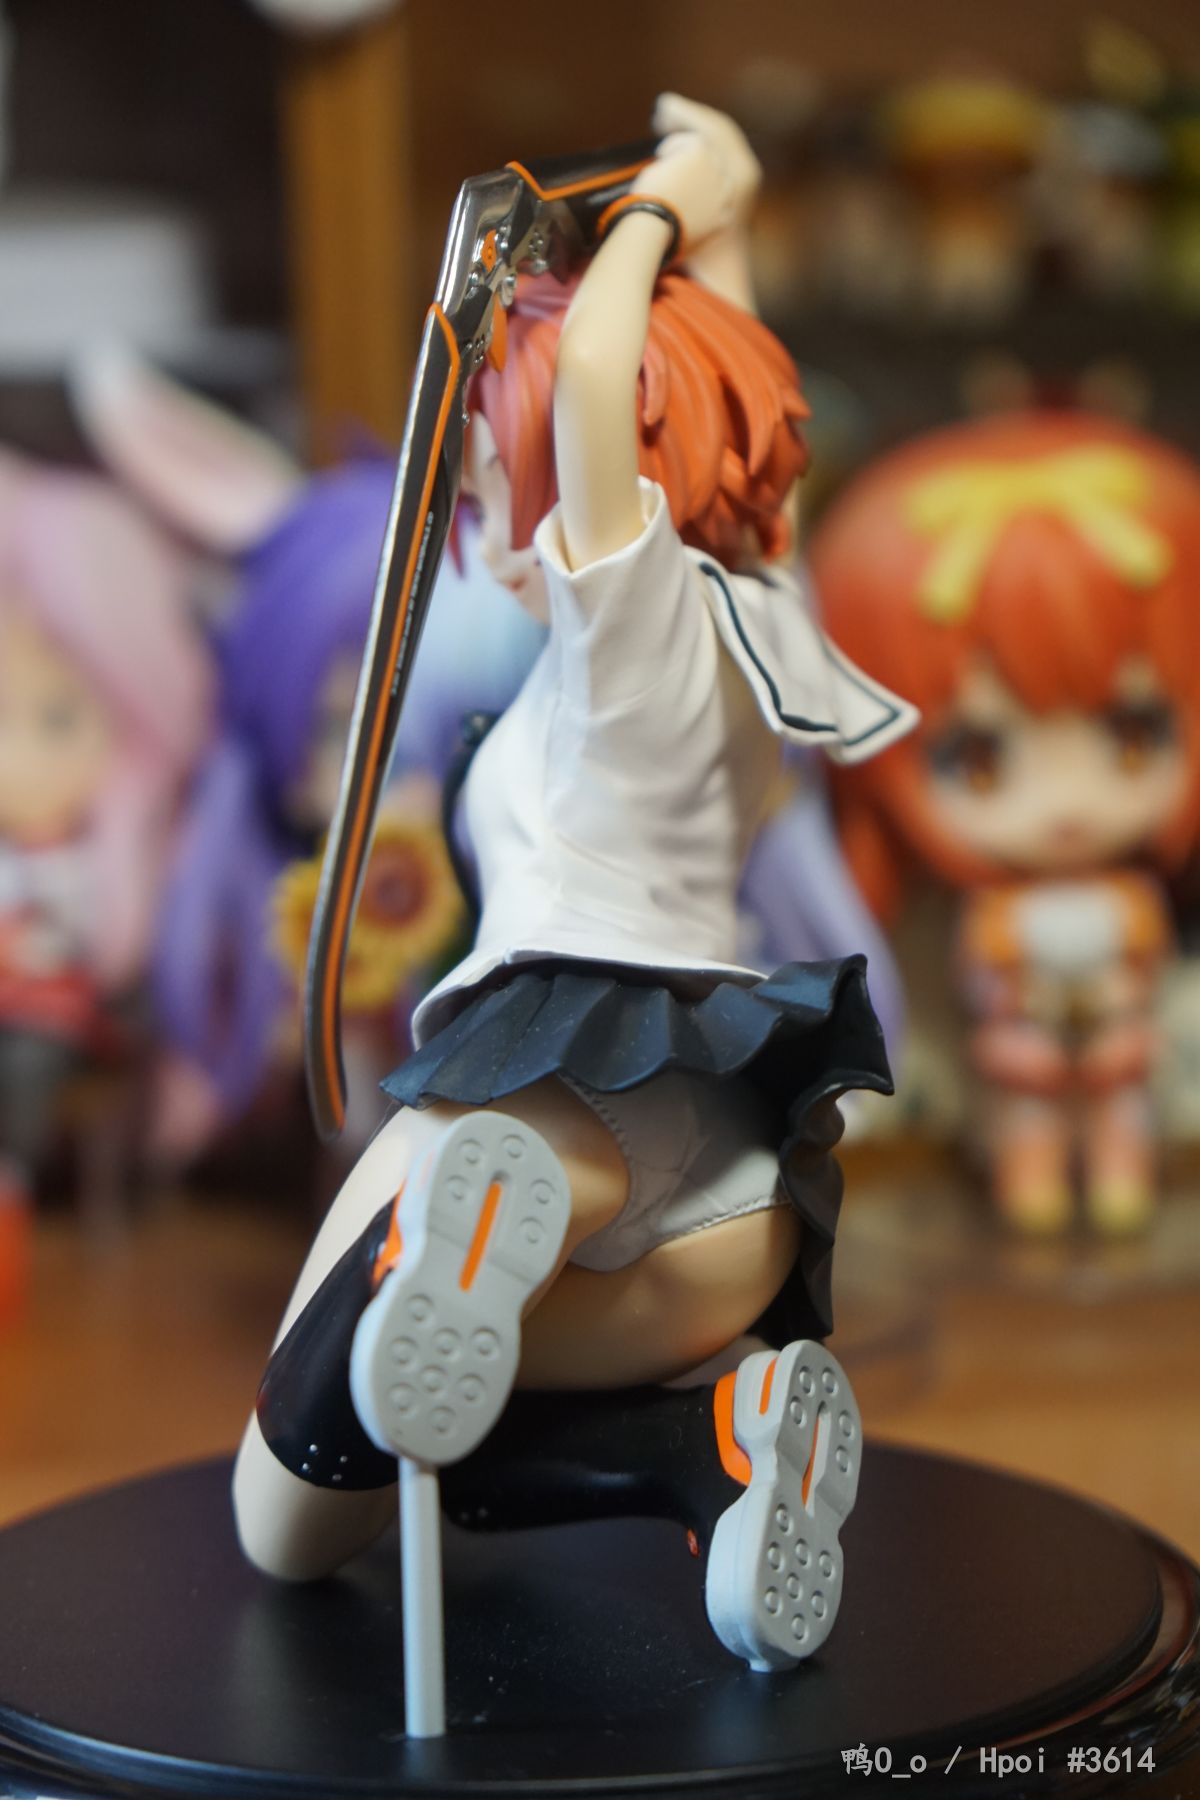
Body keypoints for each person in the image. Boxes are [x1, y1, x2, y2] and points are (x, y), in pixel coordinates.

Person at [233, 97, 915, 1673]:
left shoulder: (631, 623)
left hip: (556, 1108)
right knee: (452, 1428)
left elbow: (607, 373)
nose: (480, 528)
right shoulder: (766, 606)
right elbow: (724, 386)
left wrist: (661, 205)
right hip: (735, 1189)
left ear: (587, 481)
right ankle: (712, 1454)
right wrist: (722, 215)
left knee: (281, 1517)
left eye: (488, 488)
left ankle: (438, 1247)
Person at [812, 410, 1200, 1234]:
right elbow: (981, 983)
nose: (1066, 802)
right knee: (1027, 1147)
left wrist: (1119, 1006)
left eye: (1134, 736)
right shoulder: (994, 917)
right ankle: (1035, 1192)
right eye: (978, 757)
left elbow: (1147, 971)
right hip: (1021, 1068)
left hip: (1119, 1067)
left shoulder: (1132, 900)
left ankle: (1116, 1188)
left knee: (1122, 1145)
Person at [0, 448, 209, 1318]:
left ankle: (10, 1186)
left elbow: (106, 944)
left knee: (26, 1060)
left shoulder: (110, 852)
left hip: (61, 1006)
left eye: (53, 718)